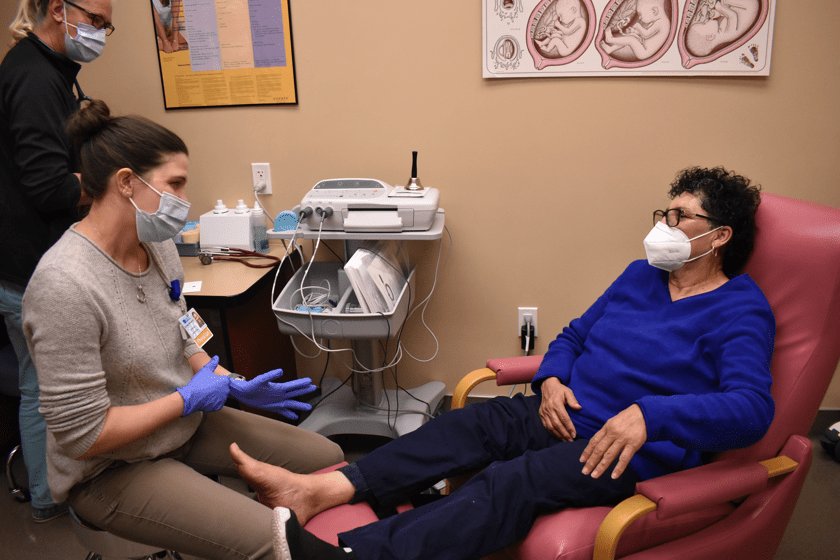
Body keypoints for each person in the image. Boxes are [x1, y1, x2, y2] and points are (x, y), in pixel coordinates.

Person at [229, 166, 775, 560]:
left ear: (720, 236)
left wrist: (651, 417)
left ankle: (359, 556)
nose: (665, 224)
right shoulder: (640, 276)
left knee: (517, 480)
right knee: (463, 425)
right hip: (562, 410)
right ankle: (319, 490)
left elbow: (751, 408)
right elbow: (575, 335)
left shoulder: (741, 308)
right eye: (665, 211)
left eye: (680, 216)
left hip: (624, 447)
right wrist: (554, 378)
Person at [22, 99, 344, 560]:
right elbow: (85, 436)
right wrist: (185, 398)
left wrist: (227, 382)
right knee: (276, 542)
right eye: (175, 184)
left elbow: (183, 326)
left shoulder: (155, 245)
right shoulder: (64, 285)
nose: (184, 200)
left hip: (183, 426)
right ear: (127, 183)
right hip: (110, 469)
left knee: (328, 461)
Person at [0, 0, 113, 523]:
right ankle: (53, 498)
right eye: (95, 19)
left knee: (42, 385)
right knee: (43, 390)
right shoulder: (34, 78)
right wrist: (120, 190)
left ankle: (56, 492)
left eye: (107, 25)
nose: (101, 32)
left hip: (38, 262)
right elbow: (48, 186)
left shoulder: (56, 74)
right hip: (31, 271)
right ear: (56, 10)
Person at [600, 0, 670, 61]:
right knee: (631, 36)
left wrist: (638, 26)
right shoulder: (657, 20)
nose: (639, 18)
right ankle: (610, 49)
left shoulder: (662, 22)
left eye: (640, 14)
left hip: (643, 52)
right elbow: (648, 35)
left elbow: (646, 34)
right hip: (643, 47)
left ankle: (610, 39)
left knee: (631, 40)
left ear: (654, 11)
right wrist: (634, 32)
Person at [685, 0, 760, 57]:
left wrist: (715, 13)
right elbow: (732, 16)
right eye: (704, 23)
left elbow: (724, 15)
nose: (706, 20)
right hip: (748, 6)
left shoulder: (719, 31)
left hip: (738, 7)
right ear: (710, 36)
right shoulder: (728, 35)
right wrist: (718, 6)